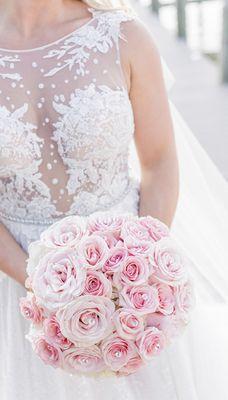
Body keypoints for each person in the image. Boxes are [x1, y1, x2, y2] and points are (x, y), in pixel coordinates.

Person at [0, 1, 228, 399]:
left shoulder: (124, 37)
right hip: (15, 284)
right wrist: (43, 286)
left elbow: (158, 163)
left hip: (128, 290)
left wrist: (136, 272)